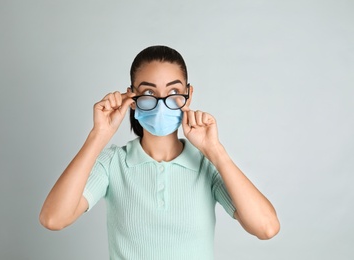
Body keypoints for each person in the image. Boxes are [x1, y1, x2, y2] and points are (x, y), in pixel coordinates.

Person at [39, 45, 280, 259]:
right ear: (132, 98)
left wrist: (216, 152)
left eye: (174, 92)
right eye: (149, 93)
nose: (162, 102)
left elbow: (266, 228)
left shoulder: (207, 166)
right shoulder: (113, 164)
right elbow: (54, 219)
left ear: (189, 94)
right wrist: (98, 136)